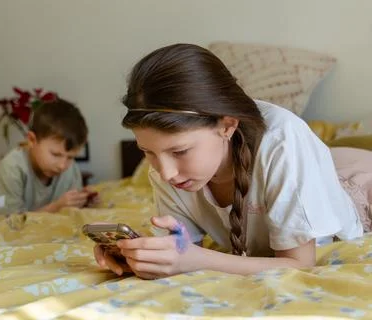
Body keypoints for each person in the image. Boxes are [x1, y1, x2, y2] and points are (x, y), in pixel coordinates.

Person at [93, 43, 370, 279]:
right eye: (149, 152)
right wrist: (144, 256)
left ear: (227, 126)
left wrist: (197, 260)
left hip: (355, 186)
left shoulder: (283, 140)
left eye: (180, 152)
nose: (166, 173)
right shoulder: (167, 170)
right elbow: (183, 249)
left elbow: (300, 264)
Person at [0, 98, 97, 213]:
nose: (62, 165)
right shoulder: (11, 169)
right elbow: (10, 225)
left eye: (71, 157)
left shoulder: (71, 170)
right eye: (55, 154)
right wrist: (56, 207)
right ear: (31, 140)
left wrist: (82, 203)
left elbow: (69, 213)